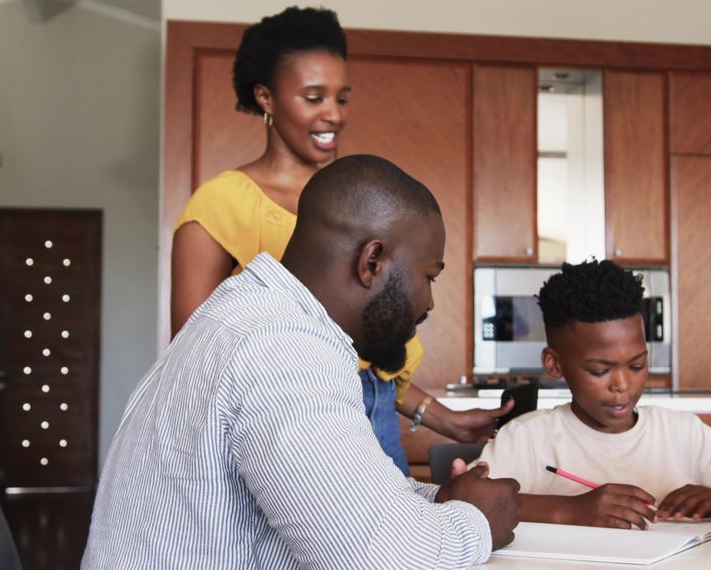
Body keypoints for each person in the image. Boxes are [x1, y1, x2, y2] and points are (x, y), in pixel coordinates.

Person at [83, 155, 520, 568]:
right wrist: (476, 519)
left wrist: (438, 500)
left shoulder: (250, 318)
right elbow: (385, 559)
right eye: (429, 276)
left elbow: (346, 492)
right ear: (372, 261)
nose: (429, 302)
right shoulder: (283, 351)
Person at [170, 6, 509, 475]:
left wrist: (444, 419)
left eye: (341, 97)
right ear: (266, 97)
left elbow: (372, 355)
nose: (333, 113)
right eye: (313, 97)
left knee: (394, 542)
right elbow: (194, 358)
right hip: (295, 417)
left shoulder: (360, 199)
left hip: (378, 413)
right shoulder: (220, 205)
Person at [476, 260, 711, 529]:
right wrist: (569, 509)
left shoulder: (681, 433)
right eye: (600, 371)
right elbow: (470, 502)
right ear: (555, 364)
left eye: (637, 365)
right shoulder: (527, 438)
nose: (623, 385)